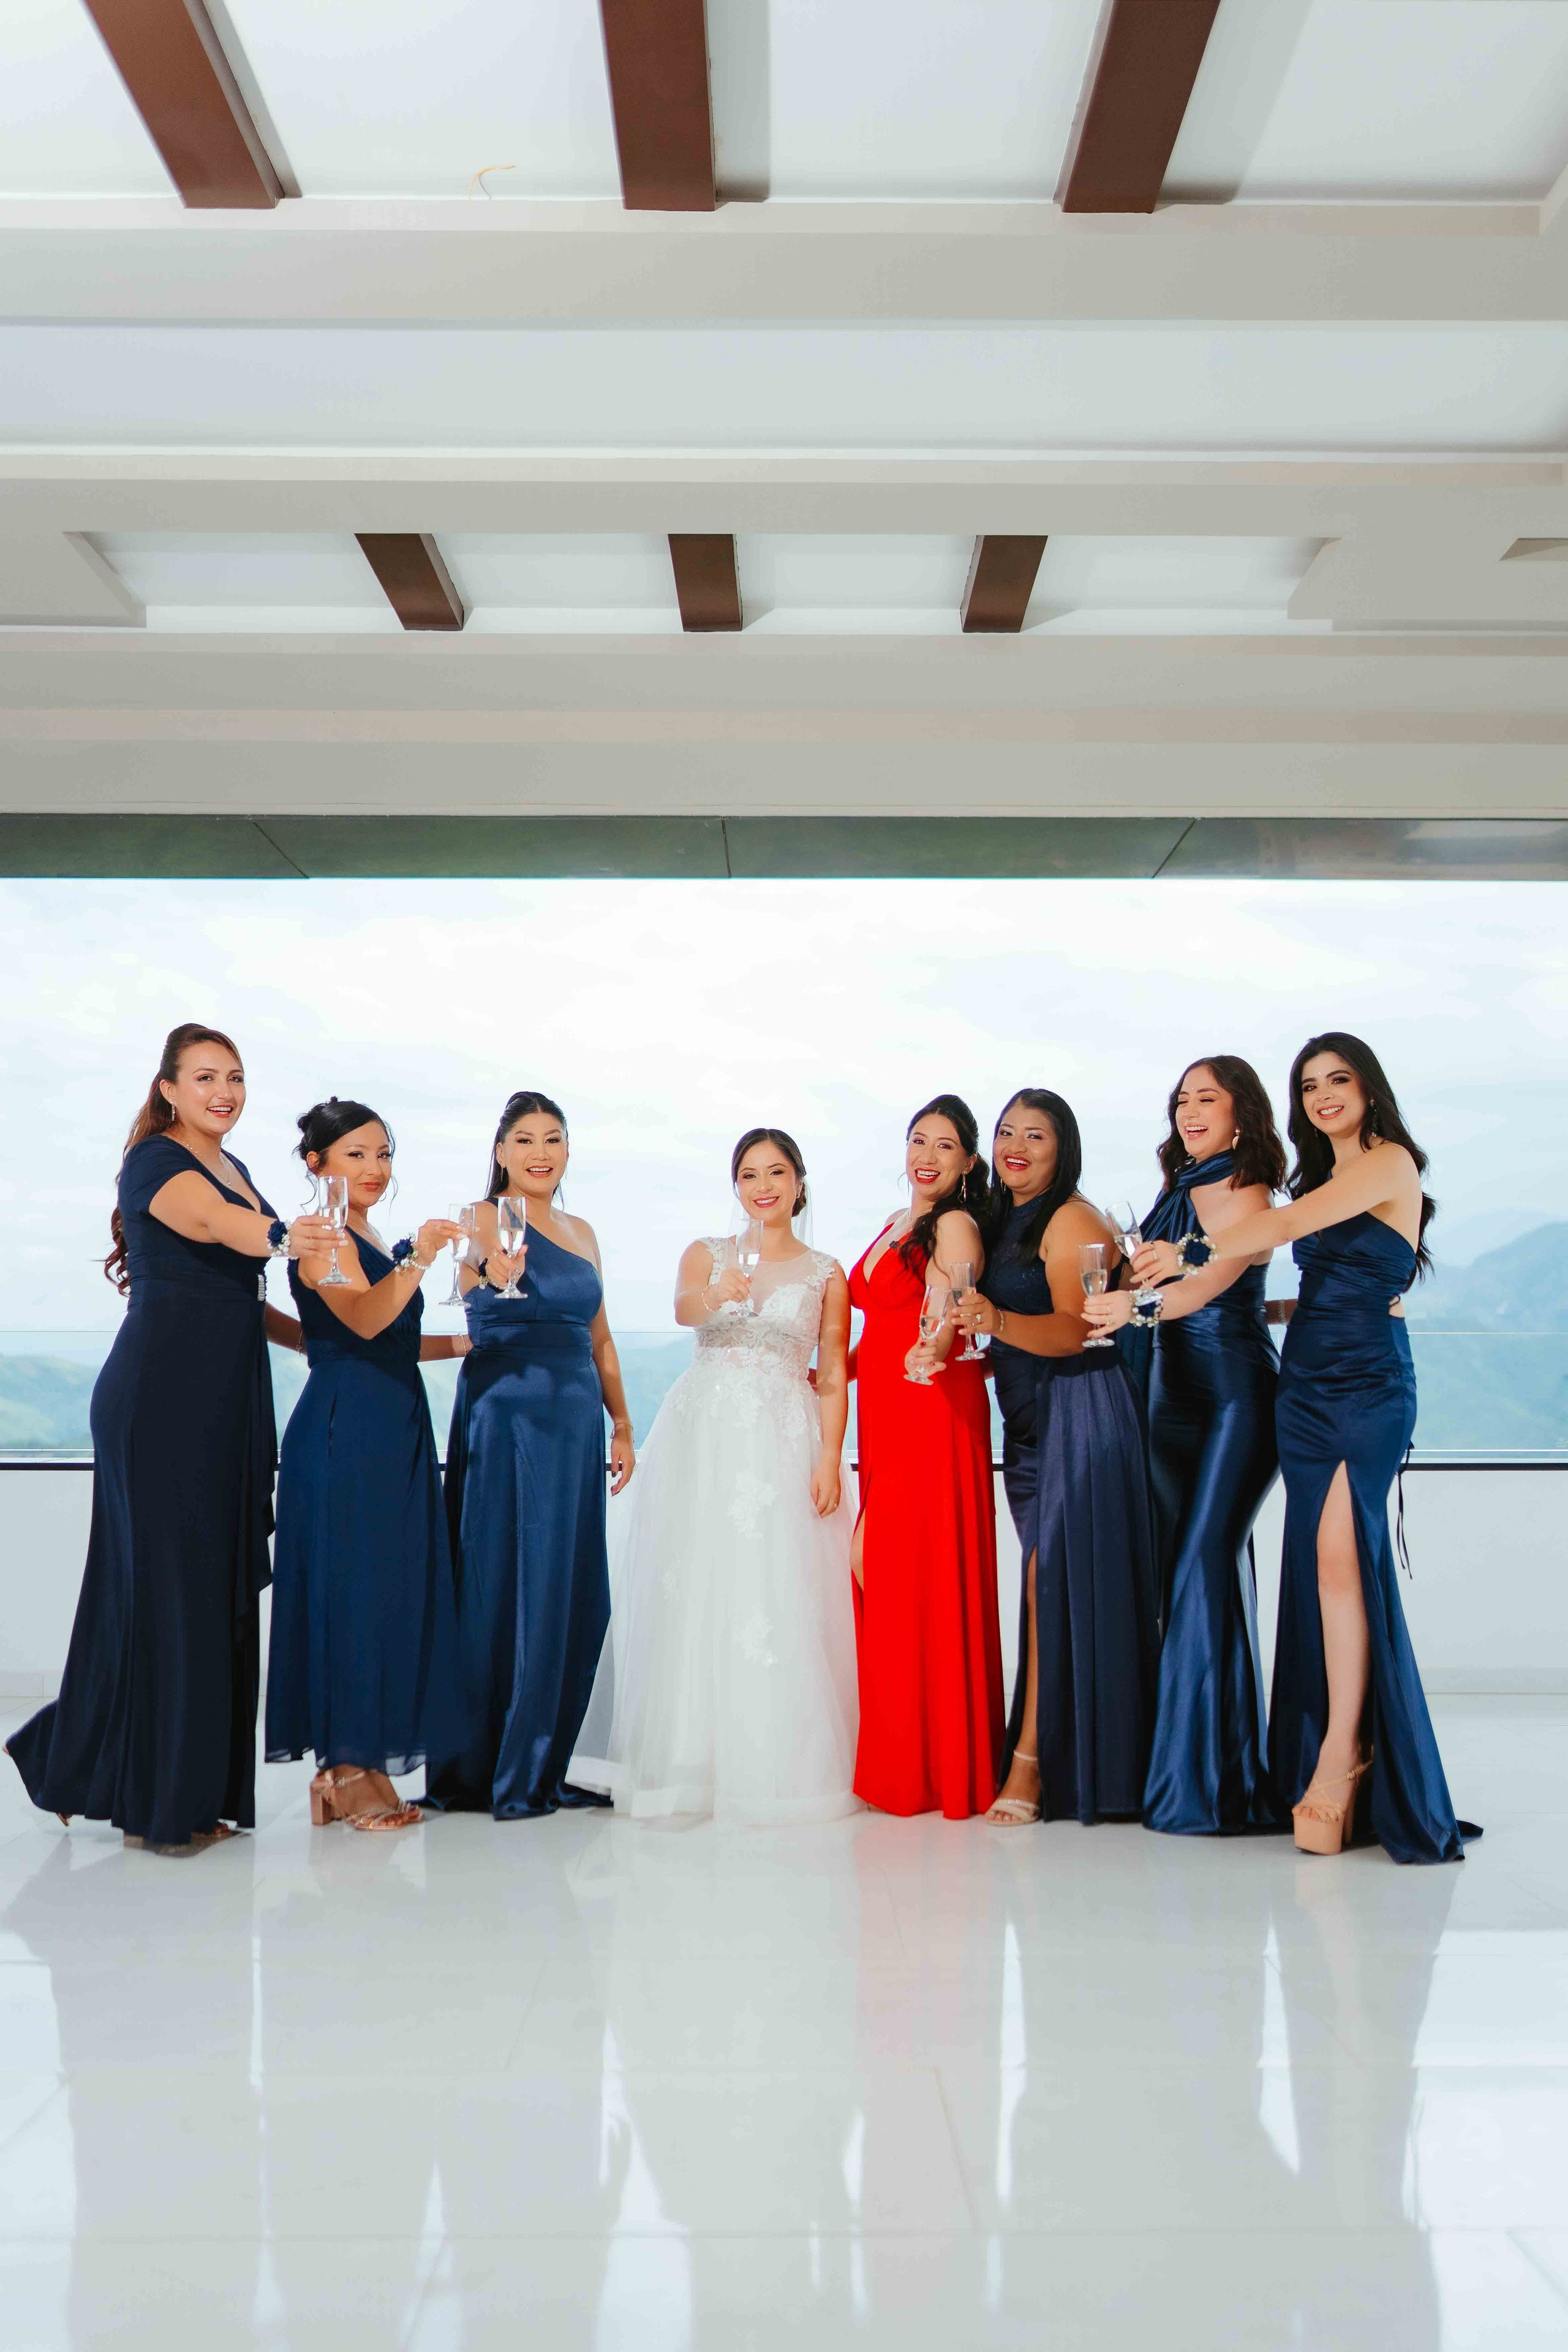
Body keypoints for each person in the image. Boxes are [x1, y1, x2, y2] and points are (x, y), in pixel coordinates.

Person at [1132, 1033, 1474, 1863]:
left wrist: (1188, 1253)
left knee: (1339, 1560)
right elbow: (1316, 1283)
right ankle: (1333, 1743)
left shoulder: (1387, 1164)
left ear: (1368, 1088)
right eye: (1310, 1084)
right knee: (1320, 1573)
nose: (1324, 1095)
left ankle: (1340, 1755)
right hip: (1306, 1391)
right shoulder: (1324, 1174)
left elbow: (1285, 1224)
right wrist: (1264, 1314)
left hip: (1369, 1392)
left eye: (1338, 1080)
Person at [4, 1023, 332, 1853]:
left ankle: (96, 1766)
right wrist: (293, 1235)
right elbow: (222, 1230)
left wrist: (315, 1340)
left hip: (226, 1400)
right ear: (169, 1090)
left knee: (204, 1595)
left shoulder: (239, 1170)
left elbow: (239, 1297)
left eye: (236, 1076)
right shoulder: (157, 1164)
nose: (225, 1090)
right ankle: (163, 1808)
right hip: (161, 1400)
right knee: (169, 1593)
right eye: (206, 1077)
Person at [575, 1128, 858, 1823]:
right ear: (736, 1186)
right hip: (702, 1435)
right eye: (749, 1174)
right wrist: (717, 1294)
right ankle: (685, 1764)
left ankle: (773, 1763)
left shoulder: (827, 1271)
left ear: (798, 1182)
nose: (762, 1186)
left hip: (782, 1434)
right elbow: (682, 1311)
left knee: (774, 1585)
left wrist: (829, 1456)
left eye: (777, 1172)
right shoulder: (706, 1253)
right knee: (696, 1584)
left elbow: (834, 1370)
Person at [1084, 1057, 1286, 1835]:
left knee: (1204, 1562)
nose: (1190, 1110)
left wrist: (1126, 1313)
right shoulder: (1180, 1184)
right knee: (1187, 1571)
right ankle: (1201, 1767)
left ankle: (1203, 1784)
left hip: (1235, 1396)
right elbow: (1186, 1283)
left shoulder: (1246, 1186)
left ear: (1242, 1114)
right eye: (1181, 1099)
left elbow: (1206, 1286)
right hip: (1172, 1396)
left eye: (1208, 1097)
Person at [266, 1098, 472, 1831]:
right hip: (345, 1427)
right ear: (316, 1163)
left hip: (393, 1420)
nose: (375, 1168)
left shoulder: (367, 1232)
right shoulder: (322, 1235)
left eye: (383, 1153)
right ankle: (343, 1766)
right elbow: (360, 1319)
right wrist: (422, 1255)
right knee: (350, 1592)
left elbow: (388, 1337)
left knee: (384, 1590)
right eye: (355, 1154)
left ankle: (364, 1762)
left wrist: (467, 1347)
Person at [955, 1090, 1159, 1828]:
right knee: (1059, 1588)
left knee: (1048, 1584)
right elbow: (1012, 1334)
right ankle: (1083, 1756)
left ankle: (1033, 1764)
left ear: (1061, 1147)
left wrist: (997, 1320)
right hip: (1032, 1423)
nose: (1016, 1145)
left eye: (1034, 1135)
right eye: (1006, 1131)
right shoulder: (1004, 1216)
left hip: (1083, 1409)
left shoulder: (1071, 1218)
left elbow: (1079, 1332)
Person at [429, 1091, 635, 1820]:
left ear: (568, 1152)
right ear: (500, 1152)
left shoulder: (581, 1231)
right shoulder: (481, 1216)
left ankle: (544, 1758)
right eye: (524, 1139)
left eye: (552, 1138)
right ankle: (492, 1765)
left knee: (567, 1584)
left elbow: (601, 1337)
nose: (539, 1151)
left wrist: (622, 1423)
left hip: (576, 1416)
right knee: (503, 1577)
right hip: (507, 1411)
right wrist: (489, 1271)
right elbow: (463, 1287)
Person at [847, 1095, 1002, 1820]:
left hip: (928, 1406)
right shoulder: (893, 1224)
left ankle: (933, 1770)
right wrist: (829, 1370)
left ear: (968, 1163)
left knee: (898, 1569)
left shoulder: (955, 1224)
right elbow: (879, 1325)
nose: (928, 1156)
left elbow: (949, 1305)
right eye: (918, 1140)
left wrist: (934, 1345)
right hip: (883, 1410)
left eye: (945, 1146)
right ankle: (904, 1760)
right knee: (886, 1571)